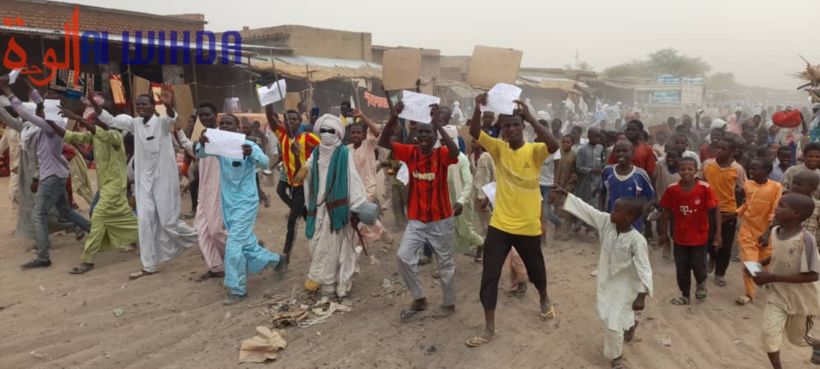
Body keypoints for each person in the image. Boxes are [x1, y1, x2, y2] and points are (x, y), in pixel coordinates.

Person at [465, 94, 560, 348]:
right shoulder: (498, 148)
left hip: (528, 226)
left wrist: (530, 116)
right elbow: (475, 131)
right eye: (506, 125)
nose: (511, 129)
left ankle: (544, 298)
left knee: (537, 271)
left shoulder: (535, 151)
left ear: (523, 127)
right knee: (489, 276)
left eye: (516, 124)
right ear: (502, 130)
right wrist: (478, 107)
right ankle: (489, 328)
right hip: (500, 225)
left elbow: (553, 145)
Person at [96, 91, 198, 279]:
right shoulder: (135, 124)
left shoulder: (162, 124)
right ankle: (149, 265)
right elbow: (110, 121)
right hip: (144, 183)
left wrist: (168, 104)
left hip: (164, 180)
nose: (141, 107)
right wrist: (94, 105)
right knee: (144, 222)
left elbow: (171, 118)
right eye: (138, 105)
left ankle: (202, 239)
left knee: (169, 222)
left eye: (144, 104)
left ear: (153, 106)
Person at [377, 99, 460, 322]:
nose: (423, 136)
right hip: (417, 220)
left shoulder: (441, 154)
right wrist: (395, 116)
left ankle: (449, 303)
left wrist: (438, 125)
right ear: (415, 135)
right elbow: (384, 141)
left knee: (445, 265)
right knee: (403, 257)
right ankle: (419, 298)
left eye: (428, 132)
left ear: (435, 137)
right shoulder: (410, 152)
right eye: (420, 132)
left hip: (441, 219)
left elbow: (455, 151)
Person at [0, 77, 91, 269]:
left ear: (47, 110)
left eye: (44, 103)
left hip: (51, 176)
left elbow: (22, 110)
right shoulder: (52, 119)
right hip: (58, 174)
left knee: (38, 214)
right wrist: (25, 82)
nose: (40, 103)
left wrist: (6, 88)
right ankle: (93, 230)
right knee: (65, 211)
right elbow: (36, 101)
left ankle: (43, 256)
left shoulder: (48, 125)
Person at [557, 191, 652, 369]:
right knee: (608, 314)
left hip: (626, 286)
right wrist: (566, 195)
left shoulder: (637, 241)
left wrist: (641, 296)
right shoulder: (607, 223)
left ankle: (617, 359)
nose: (611, 212)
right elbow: (588, 211)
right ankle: (630, 324)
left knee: (613, 322)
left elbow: (644, 269)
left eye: (616, 210)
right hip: (607, 282)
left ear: (629, 216)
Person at [196, 113, 284, 305]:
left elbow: (265, 163)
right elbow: (199, 153)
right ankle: (276, 260)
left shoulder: (249, 145)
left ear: (238, 127)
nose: (225, 126)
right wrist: (202, 143)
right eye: (222, 123)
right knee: (247, 244)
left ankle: (237, 288)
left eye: (229, 123)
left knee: (234, 242)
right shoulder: (217, 145)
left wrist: (251, 153)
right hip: (228, 203)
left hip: (246, 202)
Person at [48, 104, 139, 274]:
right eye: (95, 119)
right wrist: (49, 122)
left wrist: (78, 118)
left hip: (114, 188)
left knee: (97, 218)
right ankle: (148, 236)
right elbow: (70, 135)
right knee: (124, 219)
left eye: (99, 118)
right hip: (106, 187)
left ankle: (87, 260)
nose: (96, 120)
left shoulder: (115, 136)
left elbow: (99, 133)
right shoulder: (97, 136)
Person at [301, 114, 368, 297]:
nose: (327, 134)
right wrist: (303, 169)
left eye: (331, 131)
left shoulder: (343, 153)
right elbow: (306, 174)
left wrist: (356, 206)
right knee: (314, 244)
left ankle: (328, 286)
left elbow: (352, 178)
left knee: (330, 247)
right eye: (323, 130)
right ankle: (321, 280)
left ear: (337, 132)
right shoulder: (315, 153)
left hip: (336, 208)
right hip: (317, 206)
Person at [752, 193, 820, 369]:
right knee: (769, 333)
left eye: (781, 206)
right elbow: (779, 254)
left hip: (802, 298)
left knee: (797, 339)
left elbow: (813, 275)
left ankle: (818, 344)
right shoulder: (775, 231)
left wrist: (771, 276)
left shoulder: (806, 240)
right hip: (778, 294)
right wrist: (760, 264)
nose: (776, 208)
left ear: (796, 214)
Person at [659, 156, 719, 305]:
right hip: (680, 236)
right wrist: (663, 233)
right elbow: (665, 211)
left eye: (690, 169)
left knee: (698, 265)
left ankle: (701, 283)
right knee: (681, 267)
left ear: (696, 171)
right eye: (682, 169)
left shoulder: (704, 188)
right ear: (678, 171)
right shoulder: (672, 189)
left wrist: (718, 234)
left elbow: (715, 210)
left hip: (699, 236)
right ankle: (685, 295)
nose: (686, 172)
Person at [267, 105, 320, 258]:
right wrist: (268, 101)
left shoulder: (307, 137)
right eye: (287, 120)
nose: (291, 122)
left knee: (291, 220)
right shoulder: (282, 135)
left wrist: (301, 157)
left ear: (299, 121)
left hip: (305, 184)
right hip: (292, 183)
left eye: (294, 119)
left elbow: (325, 150)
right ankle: (305, 216)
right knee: (295, 208)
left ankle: (285, 255)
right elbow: (271, 119)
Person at [189, 102, 228, 281]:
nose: (204, 118)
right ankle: (216, 267)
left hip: (219, 189)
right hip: (204, 190)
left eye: (207, 115)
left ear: (216, 114)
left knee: (216, 231)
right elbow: (195, 153)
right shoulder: (202, 136)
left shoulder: (224, 135)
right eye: (201, 115)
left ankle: (240, 254)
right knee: (201, 231)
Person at [701, 138, 747, 287]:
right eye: (718, 148)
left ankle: (720, 273)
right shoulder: (707, 164)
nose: (719, 151)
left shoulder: (738, 169)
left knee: (725, 245)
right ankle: (712, 257)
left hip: (728, 211)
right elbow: (701, 182)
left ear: (732, 152)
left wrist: (737, 210)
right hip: (708, 209)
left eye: (723, 148)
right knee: (707, 241)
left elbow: (745, 190)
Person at [735, 159, 782, 305]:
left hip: (766, 232)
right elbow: (746, 204)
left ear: (767, 171)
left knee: (767, 264)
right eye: (750, 168)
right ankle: (749, 294)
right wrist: (735, 213)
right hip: (747, 230)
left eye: (755, 168)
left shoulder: (776, 187)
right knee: (749, 262)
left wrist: (768, 233)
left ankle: (772, 286)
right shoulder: (748, 184)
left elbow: (776, 211)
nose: (751, 171)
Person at [347, 111, 393, 247]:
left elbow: (377, 132)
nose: (355, 135)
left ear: (363, 134)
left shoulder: (369, 144)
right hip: (354, 188)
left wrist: (363, 116)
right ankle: (385, 236)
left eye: (358, 133)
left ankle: (357, 245)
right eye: (353, 133)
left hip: (368, 186)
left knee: (361, 213)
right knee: (364, 215)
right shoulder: (347, 149)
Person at [600, 140, 656, 231]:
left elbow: (652, 199)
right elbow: (602, 192)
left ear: (633, 154)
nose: (621, 153)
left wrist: (640, 213)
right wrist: (602, 211)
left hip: (633, 224)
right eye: (617, 151)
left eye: (625, 151)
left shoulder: (640, 174)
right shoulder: (607, 171)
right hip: (612, 220)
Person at [554, 135, 577, 238]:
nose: (565, 144)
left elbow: (575, 172)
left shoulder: (574, 156)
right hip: (557, 184)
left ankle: (566, 231)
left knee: (566, 208)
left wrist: (569, 185)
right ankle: (558, 230)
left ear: (572, 144)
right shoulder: (558, 155)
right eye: (563, 142)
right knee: (557, 208)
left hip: (568, 186)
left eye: (568, 142)